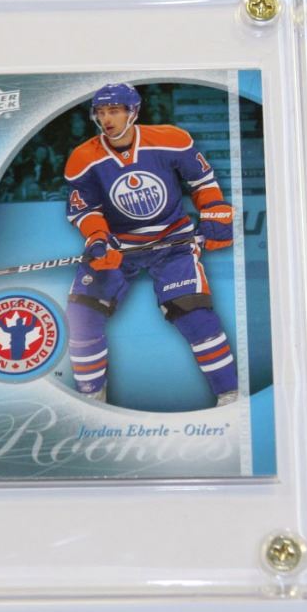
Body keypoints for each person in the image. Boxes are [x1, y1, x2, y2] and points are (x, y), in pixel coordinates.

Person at [63, 83, 238, 405]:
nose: (107, 119)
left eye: (114, 111)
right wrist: (98, 239)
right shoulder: (83, 158)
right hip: (119, 246)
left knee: (193, 314)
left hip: (173, 241)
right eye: (101, 113)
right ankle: (91, 398)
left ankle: (230, 395)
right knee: (82, 316)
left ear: (133, 112)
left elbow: (201, 181)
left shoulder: (171, 140)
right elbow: (85, 209)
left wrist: (214, 210)